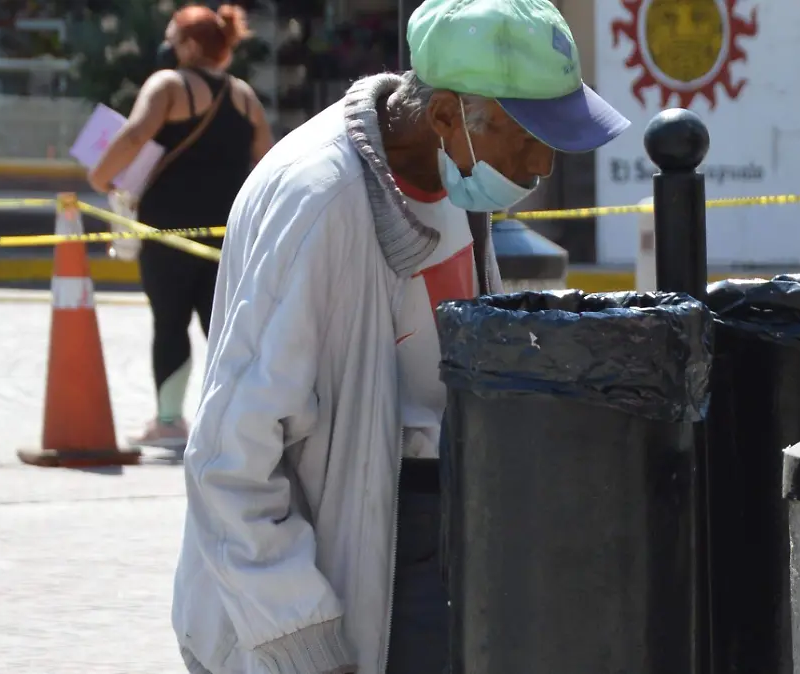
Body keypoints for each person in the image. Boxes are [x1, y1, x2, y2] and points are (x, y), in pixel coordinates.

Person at [170, 0, 630, 672]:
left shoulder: (453, 176)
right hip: (341, 570)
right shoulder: (322, 201)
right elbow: (228, 461)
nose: (541, 166)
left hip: (427, 532)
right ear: (447, 115)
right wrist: (300, 638)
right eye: (528, 136)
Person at [88, 4, 274, 451]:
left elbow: (134, 136)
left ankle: (170, 422)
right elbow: (267, 158)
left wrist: (99, 176)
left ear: (191, 45)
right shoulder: (244, 95)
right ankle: (240, 420)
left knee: (169, 323)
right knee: (225, 328)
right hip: (225, 235)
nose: (167, 44)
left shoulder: (169, 85)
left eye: (173, 36)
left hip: (167, 230)